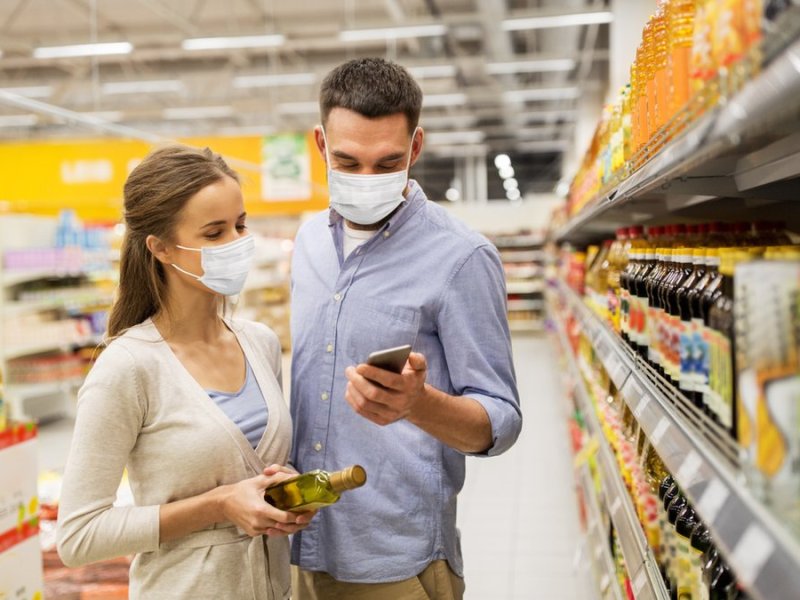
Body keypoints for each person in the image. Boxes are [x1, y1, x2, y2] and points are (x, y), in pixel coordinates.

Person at [289, 57, 523, 599]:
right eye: (347, 162)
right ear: (321, 145)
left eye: (386, 163)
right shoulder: (308, 245)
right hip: (301, 541)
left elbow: (501, 422)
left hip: (395, 561)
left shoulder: (462, 258)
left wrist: (417, 403)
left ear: (415, 148)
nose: (366, 180)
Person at [57, 144, 314, 599]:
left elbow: (248, 463)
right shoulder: (129, 366)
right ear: (159, 248)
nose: (237, 244)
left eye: (240, 225)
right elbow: (79, 536)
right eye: (214, 234)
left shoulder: (259, 343)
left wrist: (283, 492)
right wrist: (219, 505)